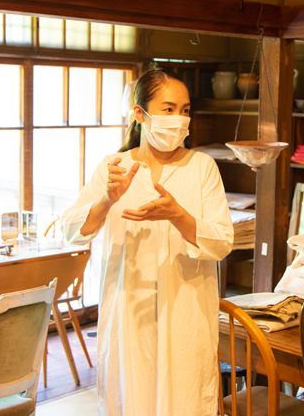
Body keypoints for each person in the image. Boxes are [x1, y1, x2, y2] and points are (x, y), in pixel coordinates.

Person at [61, 69, 234, 416]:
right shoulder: (113, 167)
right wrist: (107, 200)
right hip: (127, 316)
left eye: (185, 110)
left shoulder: (202, 167)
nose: (179, 119)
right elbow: (71, 230)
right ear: (139, 114)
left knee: (184, 400)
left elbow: (222, 242)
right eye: (168, 109)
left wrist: (178, 216)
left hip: (185, 316)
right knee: (130, 398)